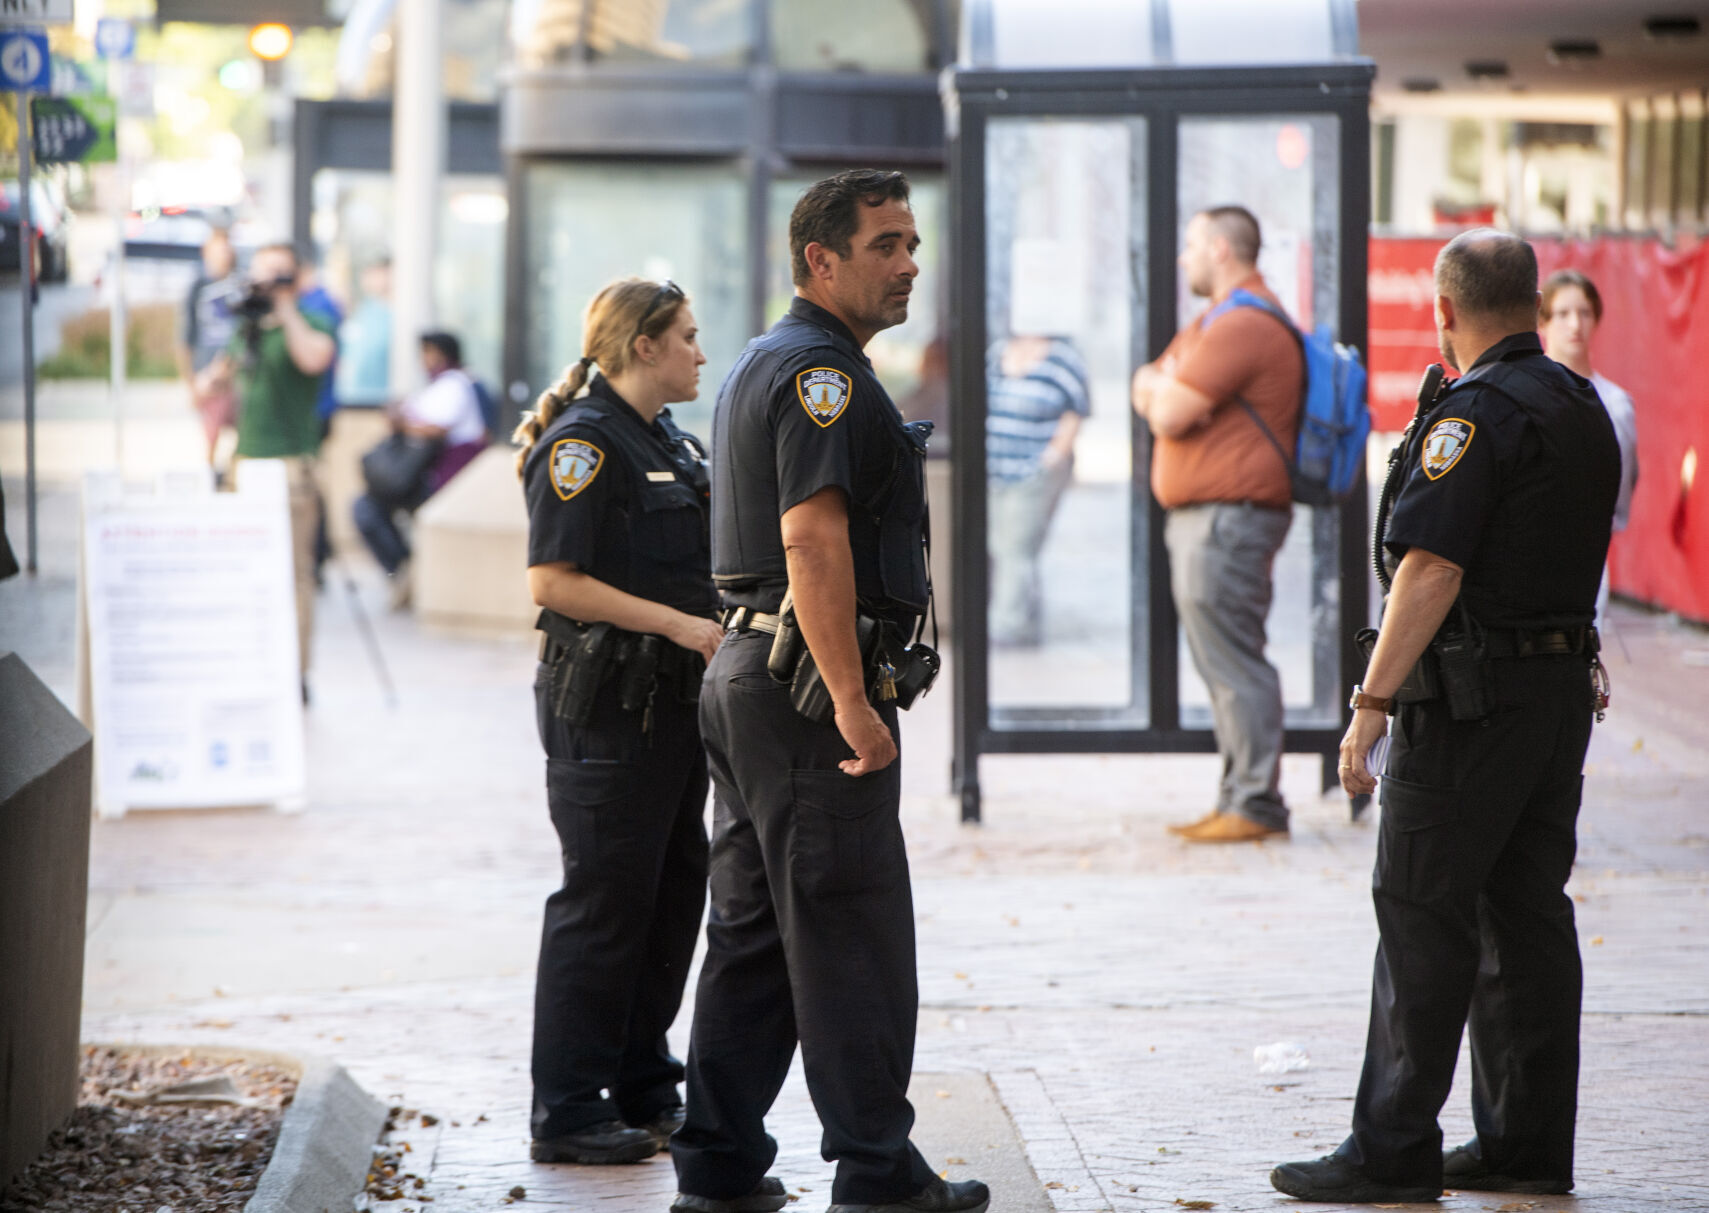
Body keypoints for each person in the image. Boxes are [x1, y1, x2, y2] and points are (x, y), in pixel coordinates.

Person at [1271, 230, 1619, 1204]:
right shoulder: (1577, 402)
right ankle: (1523, 1142)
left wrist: (1368, 705)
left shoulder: (1472, 416)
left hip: (1469, 705)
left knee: (1420, 912)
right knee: (1524, 915)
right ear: (1531, 300)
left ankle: (1388, 1145)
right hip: (1554, 699)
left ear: (1442, 309)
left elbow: (1427, 569)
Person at [670, 169, 988, 1213]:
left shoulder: (775, 358)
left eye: (911, 245)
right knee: (849, 929)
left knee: (758, 931)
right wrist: (852, 701)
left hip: (753, 678)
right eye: (886, 244)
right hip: (805, 692)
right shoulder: (820, 374)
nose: (907, 264)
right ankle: (874, 1167)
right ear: (822, 259)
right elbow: (811, 535)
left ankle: (716, 1162)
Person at [513, 277, 725, 1167]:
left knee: (670, 896)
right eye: (686, 336)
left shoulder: (665, 439)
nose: (699, 352)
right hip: (605, 710)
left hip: (671, 710)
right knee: (602, 903)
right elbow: (552, 581)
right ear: (643, 345)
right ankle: (566, 1107)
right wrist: (679, 624)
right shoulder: (584, 445)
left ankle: (643, 1080)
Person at [1130, 205, 1303, 843]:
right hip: (1210, 522)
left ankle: (1255, 803)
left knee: (1235, 664)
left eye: (1193, 244)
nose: (1184, 258)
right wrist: (1156, 385)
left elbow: (1168, 405)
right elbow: (1146, 380)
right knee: (1223, 662)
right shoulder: (1216, 320)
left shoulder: (1243, 324)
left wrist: (1160, 387)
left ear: (1224, 249)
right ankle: (1239, 795)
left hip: (1227, 522)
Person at [213, 242, 338, 699]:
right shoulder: (247, 328)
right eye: (260, 275)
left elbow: (313, 358)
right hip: (243, 463)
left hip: (290, 468)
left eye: (277, 275)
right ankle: (249, 663)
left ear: (295, 279)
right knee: (243, 573)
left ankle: (295, 673)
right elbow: (216, 382)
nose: (265, 284)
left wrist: (286, 310)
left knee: (294, 576)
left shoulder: (313, 322)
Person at [352, 330, 488, 607]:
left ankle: (406, 571)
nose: (424, 360)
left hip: (446, 480)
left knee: (368, 509)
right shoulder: (438, 386)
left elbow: (434, 427)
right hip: (425, 475)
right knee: (368, 508)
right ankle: (403, 571)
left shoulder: (455, 384)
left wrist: (402, 422)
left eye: (427, 353)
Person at [1540, 269, 1638, 620]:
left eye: (1584, 313)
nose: (1574, 325)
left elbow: (1618, 496)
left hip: (1584, 562)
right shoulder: (1519, 396)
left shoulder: (1616, 404)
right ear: (1543, 321)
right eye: (1563, 314)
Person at [986, 332, 1089, 646]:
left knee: (1016, 548)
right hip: (993, 470)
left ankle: (1009, 627)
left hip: (1031, 472)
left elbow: (1077, 410)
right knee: (1001, 546)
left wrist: (1052, 459)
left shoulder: (1062, 359)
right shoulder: (998, 351)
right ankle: (1023, 617)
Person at [177, 225, 241, 465]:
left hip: (237, 375)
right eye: (217, 250)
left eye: (226, 249)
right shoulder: (198, 288)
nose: (223, 254)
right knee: (210, 436)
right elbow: (185, 338)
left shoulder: (240, 285)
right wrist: (191, 382)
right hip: (207, 375)